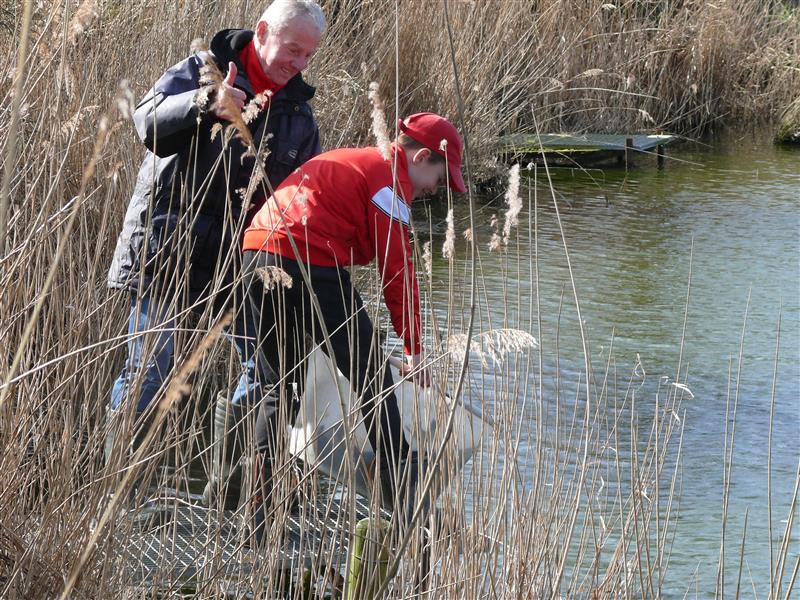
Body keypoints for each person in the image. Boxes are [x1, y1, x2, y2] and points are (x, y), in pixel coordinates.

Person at [105, 0, 327, 508]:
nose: (299, 63)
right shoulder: (203, 68)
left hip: (239, 267)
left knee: (269, 368)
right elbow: (146, 123)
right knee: (150, 372)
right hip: (167, 252)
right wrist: (206, 101)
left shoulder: (300, 116)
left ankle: (230, 490)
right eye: (293, 49)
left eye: (308, 56)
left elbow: (302, 201)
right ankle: (117, 494)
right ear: (263, 32)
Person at [241, 112, 466, 536]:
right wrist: (414, 349)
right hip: (307, 258)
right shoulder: (389, 180)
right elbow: (397, 271)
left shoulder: (361, 162)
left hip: (256, 252)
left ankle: (259, 520)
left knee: (278, 387)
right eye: (440, 177)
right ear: (421, 157)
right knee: (373, 377)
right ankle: (405, 501)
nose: (436, 189)